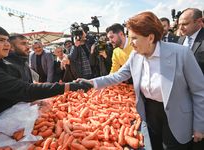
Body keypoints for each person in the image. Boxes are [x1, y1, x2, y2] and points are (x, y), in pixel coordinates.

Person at [78, 11, 204, 150]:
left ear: (150, 38)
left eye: (134, 38)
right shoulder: (135, 55)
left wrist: (199, 125)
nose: (131, 43)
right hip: (150, 112)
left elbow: (199, 91)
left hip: (176, 115)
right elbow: (118, 75)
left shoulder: (181, 54)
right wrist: (91, 83)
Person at [0, 23, 93, 147]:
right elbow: (24, 90)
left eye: (7, 40)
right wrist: (70, 86)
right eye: (0, 40)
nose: (7, 44)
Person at [178, 8, 204, 74]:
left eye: (185, 24)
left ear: (199, 21)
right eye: (179, 25)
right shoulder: (180, 39)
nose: (180, 28)